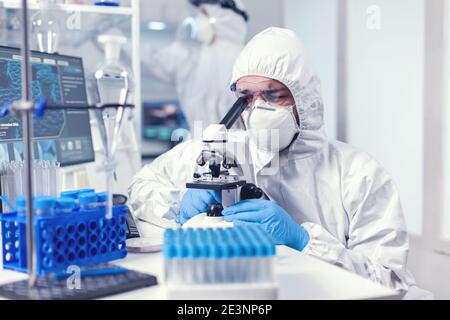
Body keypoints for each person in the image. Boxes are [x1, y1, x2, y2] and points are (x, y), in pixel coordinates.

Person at [129, 27, 416, 293]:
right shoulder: (221, 148)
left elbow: (390, 282)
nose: (257, 110)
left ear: (303, 99)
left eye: (273, 95)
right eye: (246, 97)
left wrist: (304, 242)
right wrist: (176, 207)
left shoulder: (358, 174)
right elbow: (141, 185)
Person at [143, 0, 248, 130]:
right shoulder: (193, 56)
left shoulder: (246, 60)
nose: (199, 19)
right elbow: (151, 61)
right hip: (200, 144)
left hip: (237, 145)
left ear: (225, 17)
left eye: (204, 13)